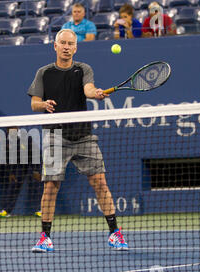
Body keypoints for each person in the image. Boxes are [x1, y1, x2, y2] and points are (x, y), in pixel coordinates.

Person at [27, 29, 129, 253]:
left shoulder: (83, 69)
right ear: (55, 46)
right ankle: (45, 237)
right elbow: (34, 101)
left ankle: (115, 234)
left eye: (70, 44)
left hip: (83, 135)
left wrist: (96, 93)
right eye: (62, 43)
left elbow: (89, 89)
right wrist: (43, 105)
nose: (66, 47)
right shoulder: (43, 73)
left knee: (99, 182)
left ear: (75, 47)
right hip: (54, 136)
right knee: (51, 186)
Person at [0, 127, 42, 218]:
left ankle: (42, 210)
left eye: (14, 128)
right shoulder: (6, 140)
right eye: (10, 128)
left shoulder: (26, 138)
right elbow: (7, 158)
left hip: (32, 163)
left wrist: (36, 170)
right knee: (13, 187)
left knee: (38, 188)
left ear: (17, 128)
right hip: (18, 167)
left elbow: (35, 153)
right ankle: (6, 210)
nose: (12, 130)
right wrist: (11, 173)